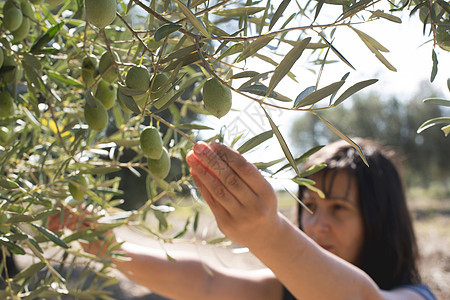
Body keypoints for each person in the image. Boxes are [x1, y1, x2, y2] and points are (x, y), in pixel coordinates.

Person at [50, 138, 437, 300]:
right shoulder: (283, 290)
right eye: (309, 207)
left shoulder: (417, 296)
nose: (317, 226)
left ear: (381, 220)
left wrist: (268, 234)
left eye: (339, 209)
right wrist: (101, 243)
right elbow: (205, 282)